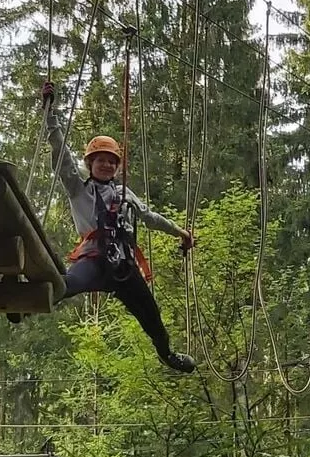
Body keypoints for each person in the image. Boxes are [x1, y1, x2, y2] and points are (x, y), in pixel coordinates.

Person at [43, 81, 196, 373]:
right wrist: (51, 116)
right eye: (100, 161)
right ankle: (22, 305)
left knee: (151, 313)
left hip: (123, 267)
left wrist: (181, 232)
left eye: (111, 162)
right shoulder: (79, 190)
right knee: (65, 284)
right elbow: (61, 158)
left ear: (117, 166)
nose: (106, 166)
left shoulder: (125, 194)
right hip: (93, 259)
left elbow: (150, 217)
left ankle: (167, 354)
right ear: (90, 163)